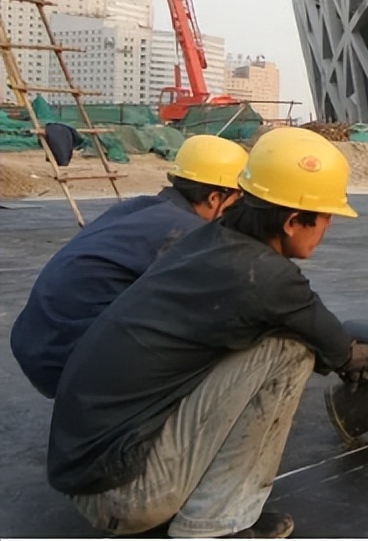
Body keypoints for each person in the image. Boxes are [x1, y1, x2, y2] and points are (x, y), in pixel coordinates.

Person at [46, 127, 368, 539]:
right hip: (125, 494)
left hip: (86, 475)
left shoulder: (208, 238)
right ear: (294, 221)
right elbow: (337, 348)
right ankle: (218, 523)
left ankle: (192, 503)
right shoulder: (267, 276)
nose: (329, 226)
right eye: (327, 215)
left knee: (256, 338)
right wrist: (367, 360)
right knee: (291, 351)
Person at [10, 134, 249, 398]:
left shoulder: (141, 207)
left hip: (36, 344)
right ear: (216, 198)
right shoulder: (186, 231)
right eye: (238, 201)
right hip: (66, 363)